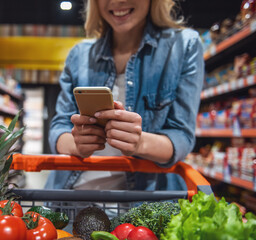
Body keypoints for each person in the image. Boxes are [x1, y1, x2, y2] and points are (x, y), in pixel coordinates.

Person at [45, 0, 204, 191]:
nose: (116, 1)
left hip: (141, 205)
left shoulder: (183, 46)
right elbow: (58, 129)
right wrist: (77, 143)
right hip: (70, 197)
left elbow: (182, 137)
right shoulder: (79, 55)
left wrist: (140, 142)